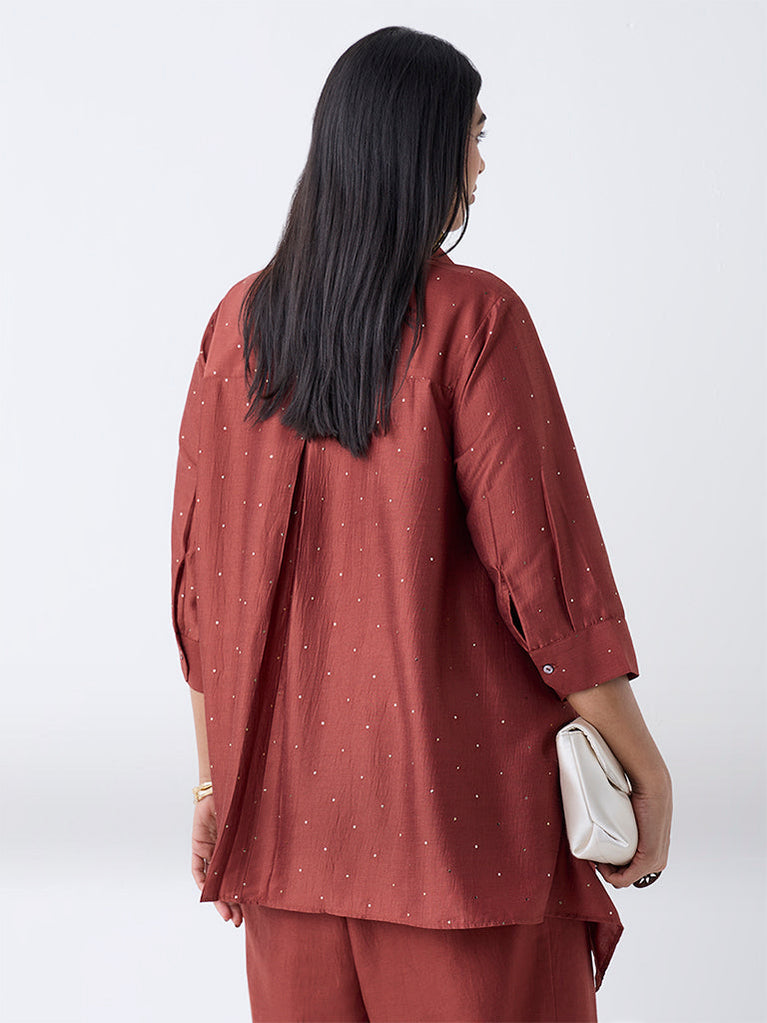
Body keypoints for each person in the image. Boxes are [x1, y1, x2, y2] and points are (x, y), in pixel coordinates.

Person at [171, 25, 673, 1023]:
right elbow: (545, 583)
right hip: (460, 834)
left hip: (287, 825)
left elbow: (204, 594)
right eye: (472, 135)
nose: (480, 165)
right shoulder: (474, 319)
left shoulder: (237, 325)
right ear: (420, 143)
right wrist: (646, 770)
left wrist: (212, 785)